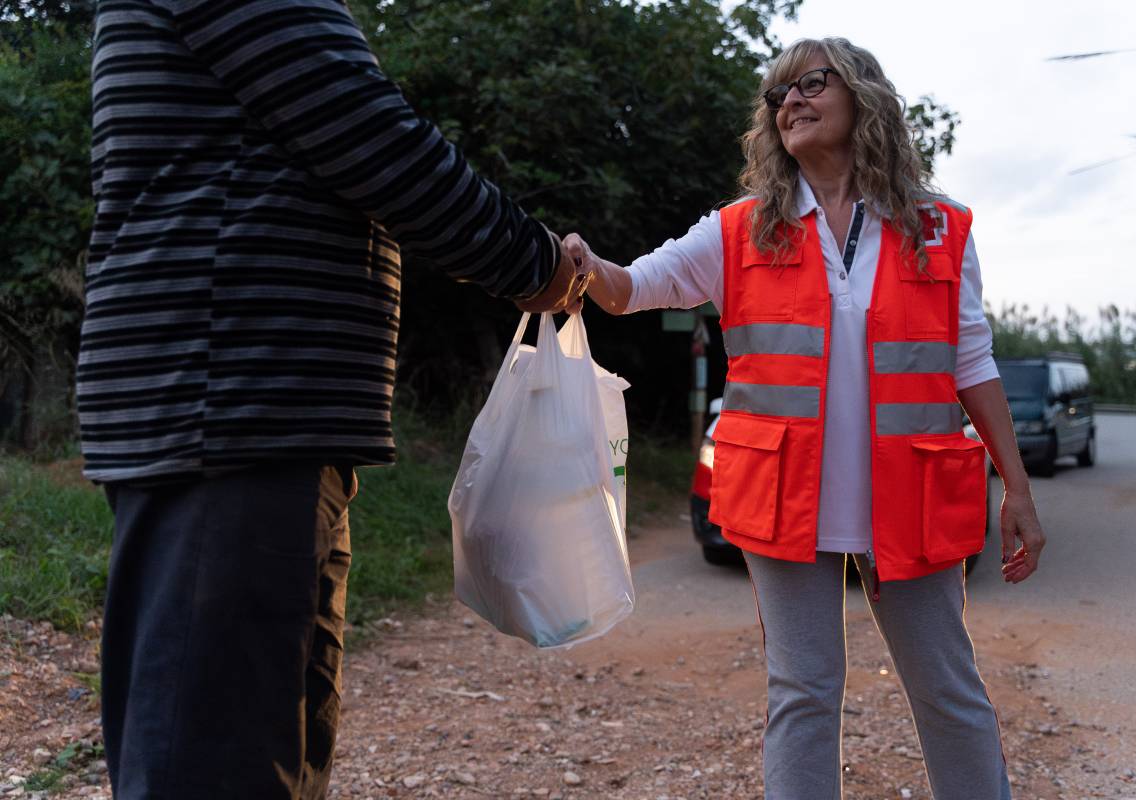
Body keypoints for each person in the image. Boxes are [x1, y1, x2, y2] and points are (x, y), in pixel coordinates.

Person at [79, 1, 589, 797]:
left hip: (262, 415)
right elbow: (360, 128)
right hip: (230, 405)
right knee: (214, 764)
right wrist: (532, 263)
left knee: (270, 754)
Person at [572, 36, 1046, 800]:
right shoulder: (740, 229)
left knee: (950, 696)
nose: (789, 101)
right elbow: (635, 285)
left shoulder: (940, 225)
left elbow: (972, 365)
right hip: (783, 503)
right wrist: (584, 268)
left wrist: (1016, 488)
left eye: (809, 84)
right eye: (778, 95)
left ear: (863, 95)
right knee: (802, 697)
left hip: (913, 502)